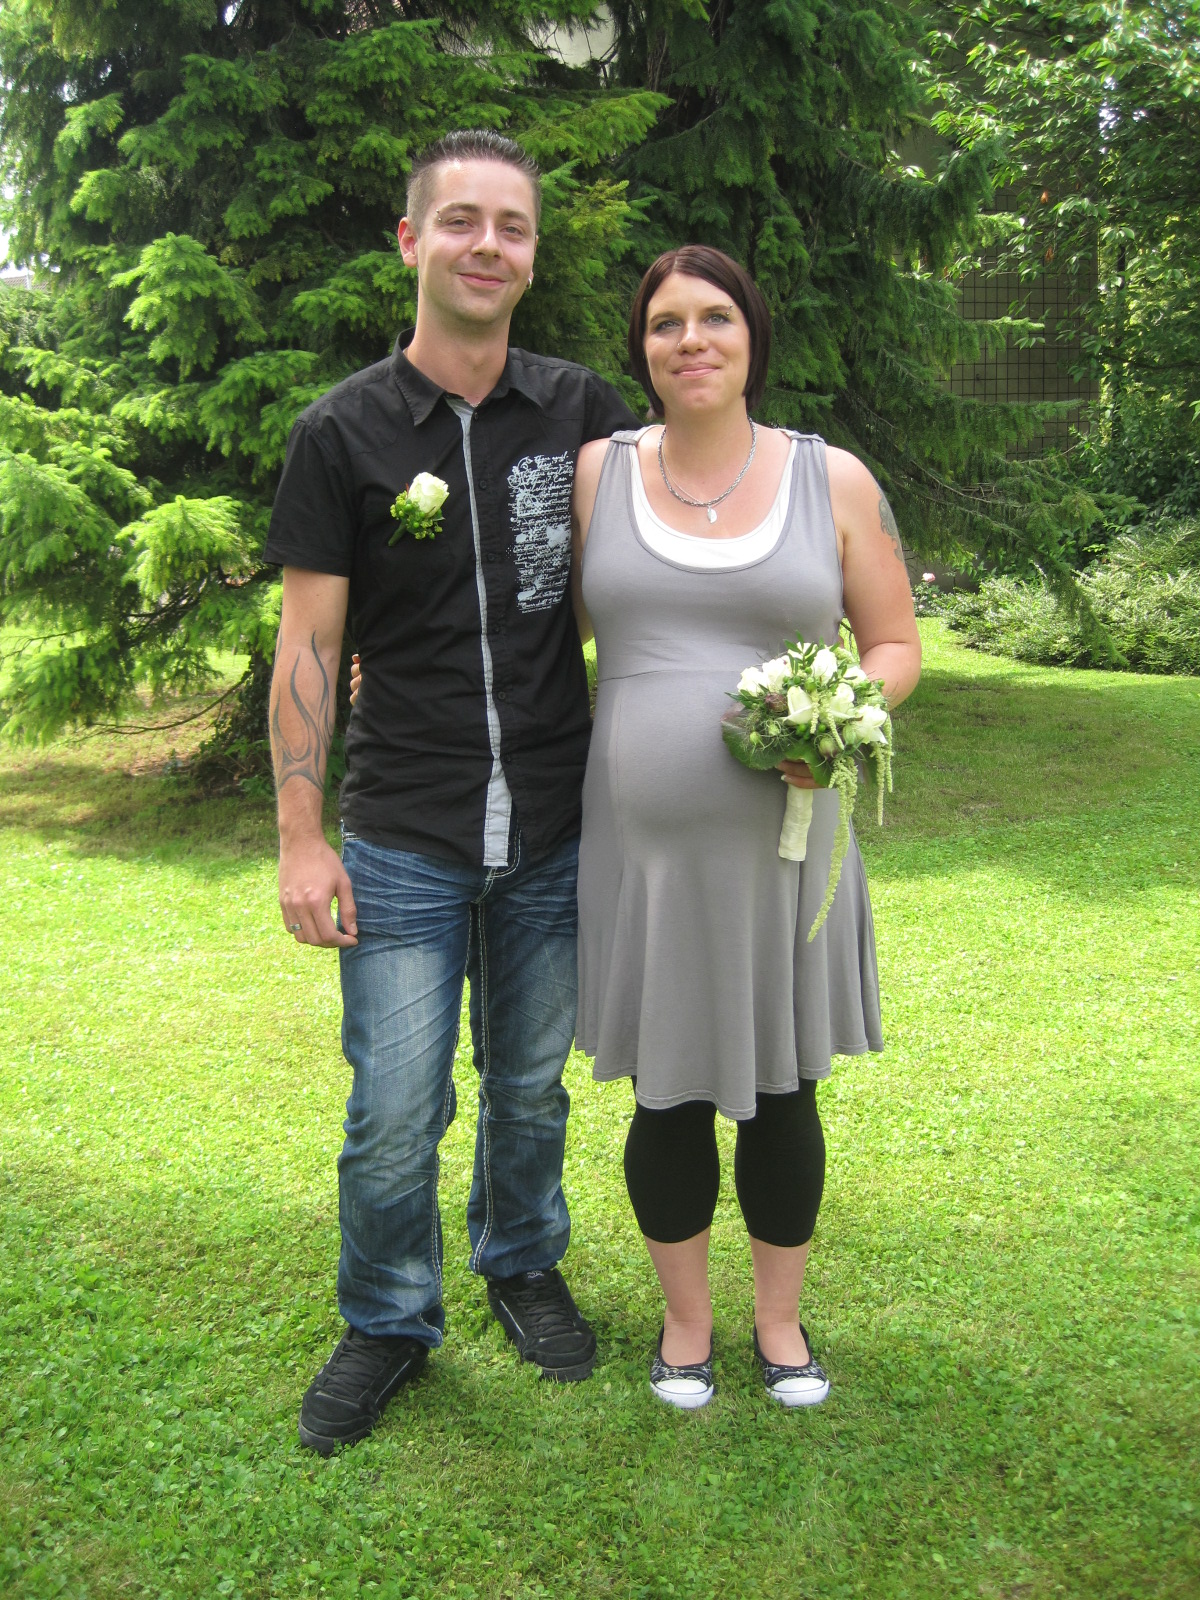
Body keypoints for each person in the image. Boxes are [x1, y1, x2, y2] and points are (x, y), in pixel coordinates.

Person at [265, 129, 637, 1456]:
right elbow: (309, 646)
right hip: (405, 832)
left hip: (553, 822)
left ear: (532, 255)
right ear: (411, 242)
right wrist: (301, 838)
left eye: (513, 226)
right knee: (395, 1110)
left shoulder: (585, 413)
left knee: (531, 1085)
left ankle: (522, 1261)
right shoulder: (342, 432)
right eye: (462, 221)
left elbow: (648, 581)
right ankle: (386, 1318)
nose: (489, 245)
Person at [569, 246, 921, 1408]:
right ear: (643, 351)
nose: (692, 340)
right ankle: (686, 1325)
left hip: (788, 848)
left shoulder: (835, 480)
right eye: (665, 323)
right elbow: (542, 633)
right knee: (664, 1090)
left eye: (715, 316)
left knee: (783, 1088)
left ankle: (779, 1324)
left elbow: (895, 644)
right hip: (646, 860)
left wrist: (839, 718)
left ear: (753, 335)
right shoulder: (599, 474)